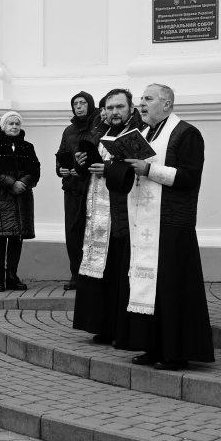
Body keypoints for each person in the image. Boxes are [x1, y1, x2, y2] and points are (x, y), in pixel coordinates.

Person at [120, 84, 214, 370]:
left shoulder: (187, 134)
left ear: (167, 104)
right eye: (141, 99)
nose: (141, 104)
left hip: (173, 222)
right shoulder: (145, 133)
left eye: (148, 99)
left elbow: (189, 177)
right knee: (151, 285)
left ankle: (175, 352)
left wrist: (148, 169)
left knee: (172, 287)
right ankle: (153, 346)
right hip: (146, 221)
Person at [73, 89, 142, 347]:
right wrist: (82, 161)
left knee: (118, 271)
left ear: (130, 108)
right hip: (97, 214)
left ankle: (120, 328)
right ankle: (102, 325)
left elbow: (138, 170)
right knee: (101, 270)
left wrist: (109, 168)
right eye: (110, 108)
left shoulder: (138, 133)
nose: (114, 112)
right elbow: (90, 168)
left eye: (119, 107)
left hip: (122, 213)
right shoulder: (100, 132)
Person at [0, 111, 40, 292]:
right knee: (0, 238)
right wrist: (11, 184)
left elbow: (35, 170)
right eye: (10, 123)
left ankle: (12, 277)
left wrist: (23, 183)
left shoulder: (27, 147)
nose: (14, 126)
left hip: (22, 197)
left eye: (17, 123)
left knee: (17, 237)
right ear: (3, 126)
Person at [55, 91, 96, 291]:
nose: (79, 106)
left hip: (90, 186)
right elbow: (61, 154)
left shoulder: (97, 128)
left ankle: (91, 275)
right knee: (72, 233)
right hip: (71, 188)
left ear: (90, 104)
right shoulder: (68, 131)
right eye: (75, 104)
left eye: (82, 103)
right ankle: (75, 275)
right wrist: (60, 169)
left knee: (91, 232)